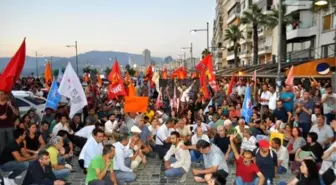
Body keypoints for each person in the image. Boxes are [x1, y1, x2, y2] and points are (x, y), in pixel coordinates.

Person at [0, 90, 19, 154]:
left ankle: (11, 156)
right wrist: (0, 117)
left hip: (9, 126)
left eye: (2, 94)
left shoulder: (10, 103)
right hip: (0, 127)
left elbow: (17, 113)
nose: (0, 96)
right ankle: (2, 159)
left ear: (5, 95)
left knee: (11, 143)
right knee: (2, 144)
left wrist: (11, 106)